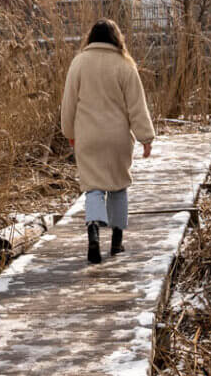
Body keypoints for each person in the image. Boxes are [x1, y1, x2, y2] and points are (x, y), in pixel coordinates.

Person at [61, 18, 155, 264]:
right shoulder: (125, 65)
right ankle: (116, 241)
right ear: (116, 38)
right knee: (118, 186)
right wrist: (146, 137)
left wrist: (69, 132)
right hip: (118, 137)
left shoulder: (79, 63)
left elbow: (69, 103)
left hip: (88, 136)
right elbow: (137, 106)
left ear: (90, 38)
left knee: (93, 187)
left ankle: (93, 232)